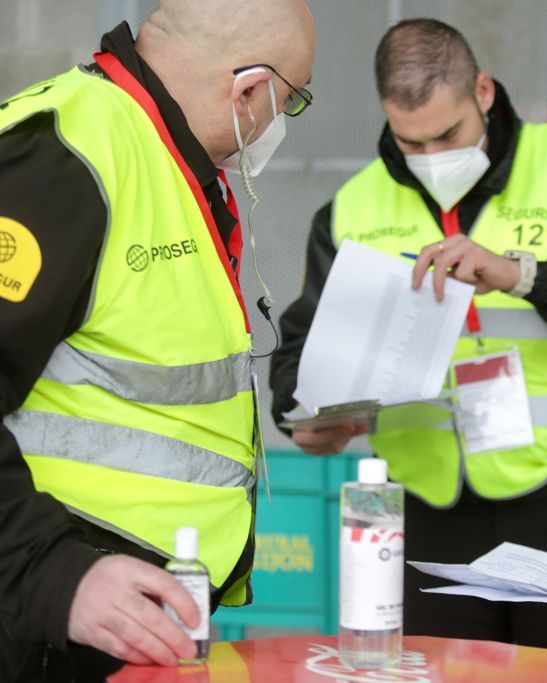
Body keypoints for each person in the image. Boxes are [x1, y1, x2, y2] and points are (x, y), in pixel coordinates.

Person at [269, 18, 547, 672]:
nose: (432, 155)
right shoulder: (349, 210)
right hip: (423, 511)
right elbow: (297, 365)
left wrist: (524, 275)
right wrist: (313, 419)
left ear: (483, 92)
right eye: (411, 142)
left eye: (448, 134)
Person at [0, 1, 315, 680]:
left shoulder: (162, 157)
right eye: (293, 100)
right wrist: (53, 574)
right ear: (250, 89)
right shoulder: (65, 155)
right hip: (47, 620)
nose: (278, 123)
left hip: (122, 614)